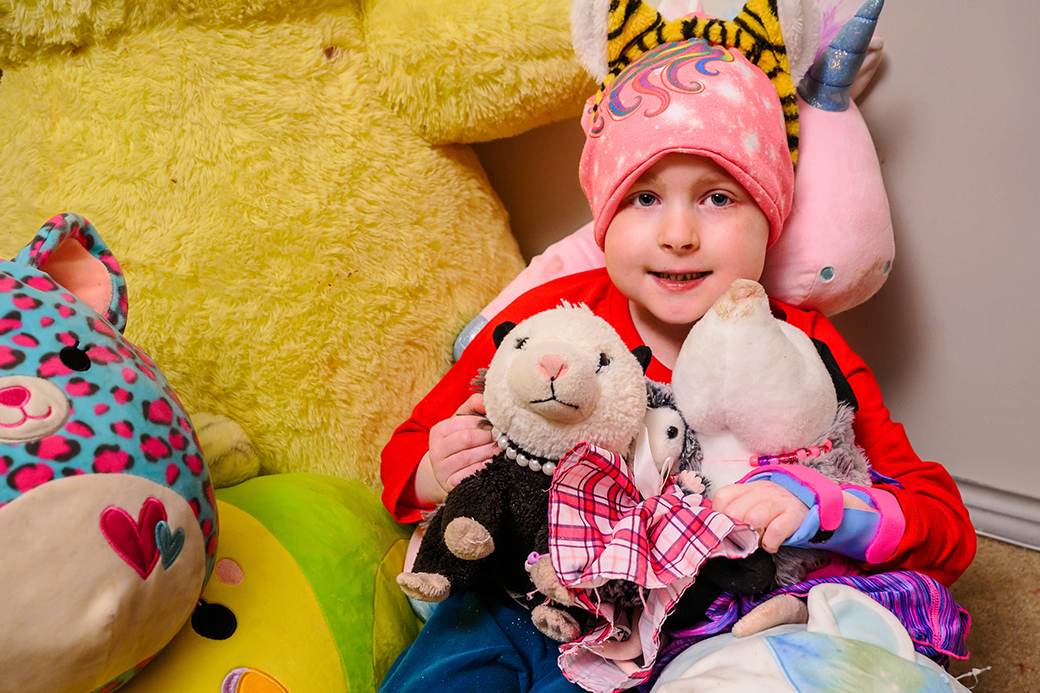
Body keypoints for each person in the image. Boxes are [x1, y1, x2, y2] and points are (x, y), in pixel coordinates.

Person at [377, 12, 975, 693]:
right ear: (604, 212)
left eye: (718, 197)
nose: (680, 233)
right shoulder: (549, 317)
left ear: (770, 215)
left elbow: (944, 524)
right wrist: (433, 468)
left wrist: (827, 506)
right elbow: (401, 460)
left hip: (667, 640)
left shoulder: (804, 348)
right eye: (644, 197)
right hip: (509, 601)